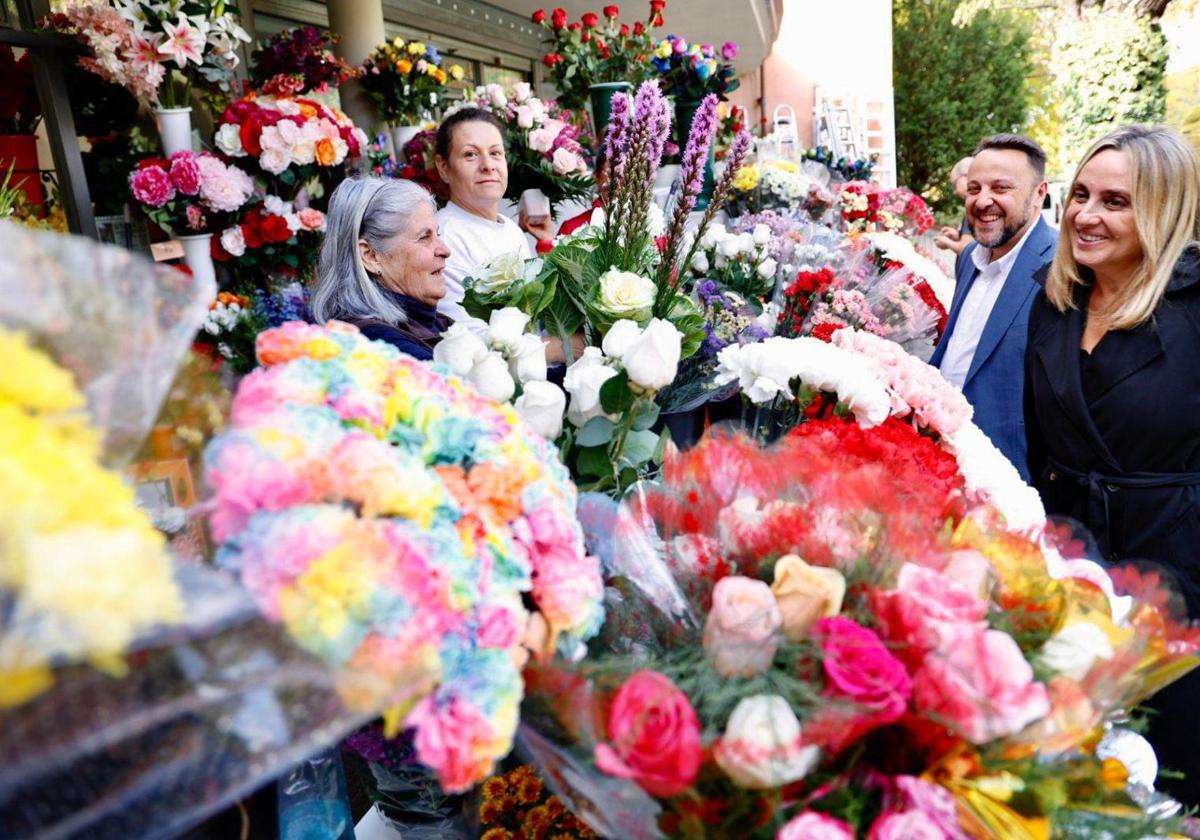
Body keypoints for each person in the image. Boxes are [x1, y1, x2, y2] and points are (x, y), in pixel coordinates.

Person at [1024, 124, 1200, 804]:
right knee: (1080, 766)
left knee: (1170, 772)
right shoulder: (1055, 299)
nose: (1086, 216)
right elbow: (1042, 446)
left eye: (1115, 202)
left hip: (1179, 573)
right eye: (1080, 196)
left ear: (1161, 209)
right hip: (1076, 569)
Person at [928, 134, 1056, 481]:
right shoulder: (970, 257)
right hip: (946, 462)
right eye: (974, 189)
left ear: (1038, 194)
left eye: (1000, 188)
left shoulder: (1063, 268)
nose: (983, 201)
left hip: (1014, 480)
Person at [310, 177, 453, 360]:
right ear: (371, 256)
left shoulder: (431, 323)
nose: (444, 250)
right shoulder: (384, 348)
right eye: (424, 238)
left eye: (437, 234)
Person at [433, 107, 554, 322]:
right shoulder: (442, 237)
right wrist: (561, 346)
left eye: (495, 153)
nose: (488, 165)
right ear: (443, 168)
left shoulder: (511, 229)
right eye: (470, 154)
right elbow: (466, 336)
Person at [933, 156, 976, 259]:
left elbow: (966, 249)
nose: (955, 191)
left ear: (966, 175)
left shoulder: (973, 206)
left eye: (954, 184)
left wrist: (946, 242)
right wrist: (958, 235)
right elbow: (977, 243)